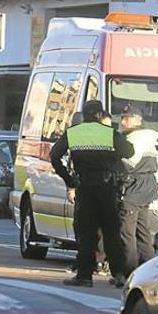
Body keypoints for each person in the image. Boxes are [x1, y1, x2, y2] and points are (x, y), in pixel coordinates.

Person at [51, 100, 134, 287]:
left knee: (86, 232)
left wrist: (69, 179)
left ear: (84, 115)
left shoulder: (73, 133)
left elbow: (55, 156)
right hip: (107, 187)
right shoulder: (109, 133)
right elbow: (129, 151)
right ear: (99, 115)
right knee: (111, 231)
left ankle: (84, 276)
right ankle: (119, 274)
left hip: (85, 186)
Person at [119, 112, 158, 282]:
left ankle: (129, 273)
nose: (121, 122)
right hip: (147, 186)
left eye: (125, 118)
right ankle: (148, 271)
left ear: (132, 121)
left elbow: (128, 164)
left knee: (126, 231)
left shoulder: (135, 139)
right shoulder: (148, 137)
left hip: (134, 187)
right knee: (143, 231)